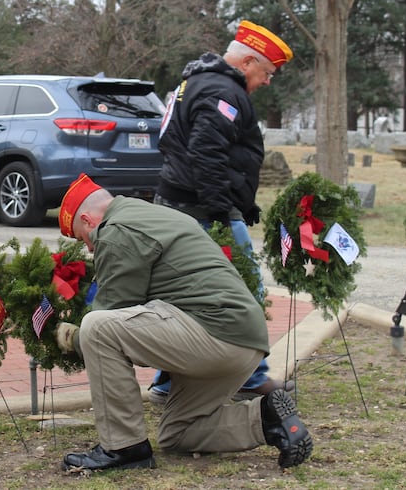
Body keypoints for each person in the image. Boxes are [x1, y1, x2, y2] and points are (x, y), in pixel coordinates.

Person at [55, 173, 313, 472]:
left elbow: (114, 310)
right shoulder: (154, 215)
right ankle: (267, 418)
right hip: (244, 341)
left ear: (88, 220)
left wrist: (68, 337)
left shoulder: (116, 230)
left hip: (212, 333)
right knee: (178, 434)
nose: (88, 248)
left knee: (97, 328)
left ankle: (123, 448)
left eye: (82, 238)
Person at [149, 19, 294, 405]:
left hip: (182, 205)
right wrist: (220, 214)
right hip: (202, 211)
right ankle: (250, 377)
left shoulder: (194, 83)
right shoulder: (223, 92)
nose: (267, 82)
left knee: (187, 296)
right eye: (266, 73)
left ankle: (167, 383)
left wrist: (243, 202)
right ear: (247, 62)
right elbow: (206, 152)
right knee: (245, 291)